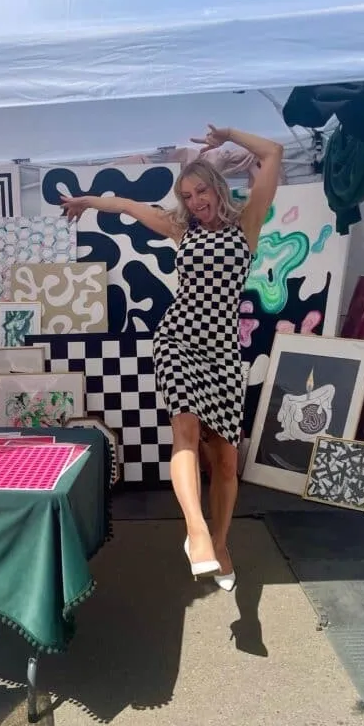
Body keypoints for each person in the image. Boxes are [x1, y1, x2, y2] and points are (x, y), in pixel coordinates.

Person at [61, 125, 283, 591]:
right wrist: (86, 201)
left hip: (222, 348)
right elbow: (124, 204)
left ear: (217, 188)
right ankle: (196, 533)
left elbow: (274, 150)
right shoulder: (180, 229)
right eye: (188, 194)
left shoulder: (248, 224)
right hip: (178, 339)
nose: (197, 199)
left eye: (202, 189)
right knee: (184, 432)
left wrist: (227, 135)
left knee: (224, 458)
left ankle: (220, 544)